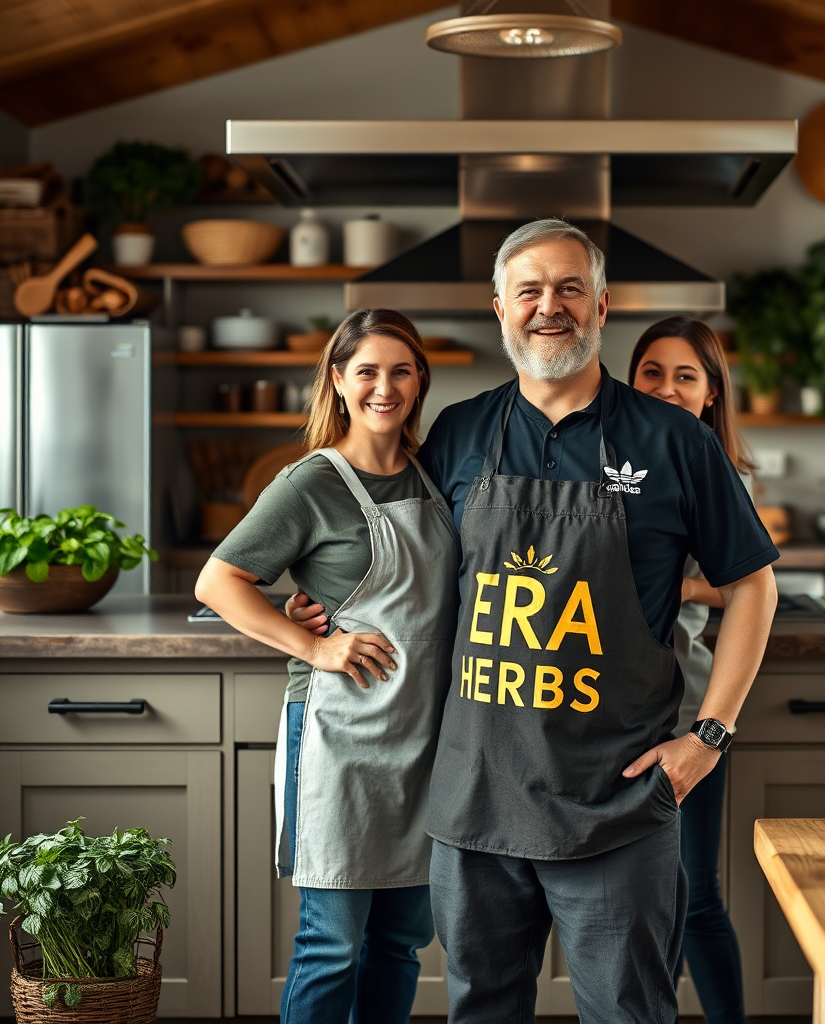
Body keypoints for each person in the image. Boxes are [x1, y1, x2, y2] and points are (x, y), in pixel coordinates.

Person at [416, 218, 778, 1024]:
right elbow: (414, 574)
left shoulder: (675, 440)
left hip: (616, 801)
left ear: (603, 306)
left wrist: (708, 737)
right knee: (479, 1011)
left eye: (571, 288)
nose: (552, 306)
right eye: (531, 290)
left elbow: (752, 585)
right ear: (501, 308)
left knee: (628, 1013)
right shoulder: (458, 431)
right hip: (476, 798)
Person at [194, 309, 459, 1024]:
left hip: (422, 738)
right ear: (338, 381)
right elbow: (217, 582)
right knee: (332, 944)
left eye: (401, 370)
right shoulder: (310, 482)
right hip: (339, 737)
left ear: (419, 380)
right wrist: (311, 644)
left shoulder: (434, 475)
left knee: (401, 943)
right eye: (366, 371)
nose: (385, 386)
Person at [629, 315, 756, 1024]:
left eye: (686, 376)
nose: (668, 389)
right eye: (652, 373)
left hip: (686, 717)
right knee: (647, 900)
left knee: (693, 893)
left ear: (711, 394)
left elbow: (747, 580)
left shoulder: (714, 467)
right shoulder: (615, 462)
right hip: (607, 714)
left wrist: (674, 587)